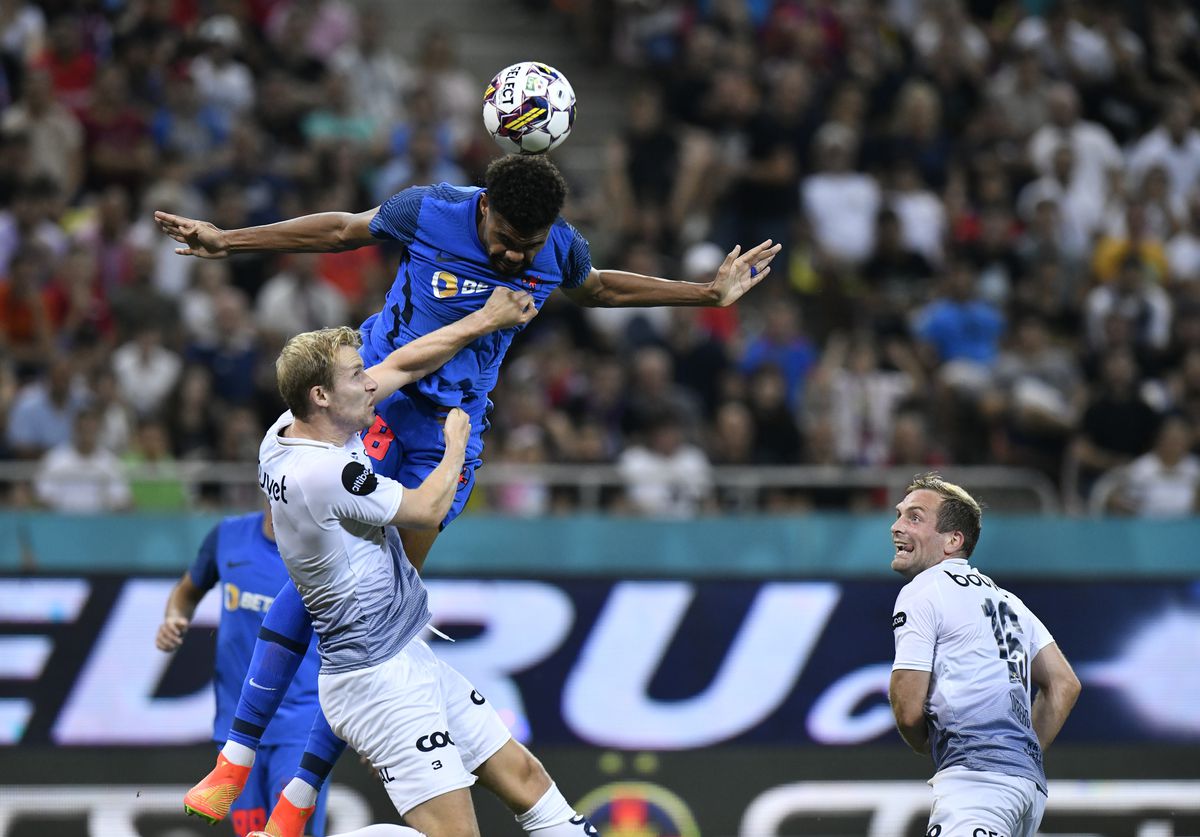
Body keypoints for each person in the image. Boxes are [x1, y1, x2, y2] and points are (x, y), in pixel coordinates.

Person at [155, 153, 778, 830]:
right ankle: (243, 762)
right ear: (483, 206)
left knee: (381, 616)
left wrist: (703, 293)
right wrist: (227, 239)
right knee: (328, 587)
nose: (514, 255)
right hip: (375, 401)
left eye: (528, 247)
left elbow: (598, 289)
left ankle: (295, 797)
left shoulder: (556, 249)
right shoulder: (431, 210)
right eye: (505, 237)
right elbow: (341, 231)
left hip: (446, 432)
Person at [253, 318, 595, 837]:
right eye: (355, 376)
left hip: (402, 655)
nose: (370, 383)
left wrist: (488, 320)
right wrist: (456, 439)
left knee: (524, 778)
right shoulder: (325, 474)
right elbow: (428, 508)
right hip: (375, 680)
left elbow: (400, 365)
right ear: (321, 395)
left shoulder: (284, 432)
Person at [888, 473, 1082, 837]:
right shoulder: (1009, 602)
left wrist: (926, 744)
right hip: (1027, 789)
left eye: (914, 517)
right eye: (899, 514)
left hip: (976, 784)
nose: (896, 527)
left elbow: (908, 707)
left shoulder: (924, 590)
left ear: (952, 540)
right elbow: (1064, 683)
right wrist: (1018, 755)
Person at [155, 506, 335, 837]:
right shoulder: (227, 537)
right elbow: (187, 591)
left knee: (290, 833)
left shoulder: (329, 547)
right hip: (236, 726)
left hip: (300, 726)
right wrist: (173, 618)